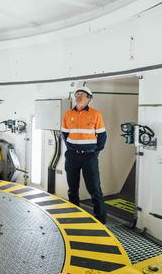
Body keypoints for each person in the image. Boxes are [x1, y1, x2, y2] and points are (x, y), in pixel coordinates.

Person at [61, 87, 107, 223]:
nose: (78, 96)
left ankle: (101, 219)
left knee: (95, 189)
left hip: (89, 157)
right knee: (72, 188)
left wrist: (94, 152)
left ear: (89, 98)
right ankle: (74, 215)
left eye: (82, 94)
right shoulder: (68, 114)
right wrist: (70, 148)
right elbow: (64, 134)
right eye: (77, 94)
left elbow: (102, 136)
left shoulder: (96, 114)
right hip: (72, 156)